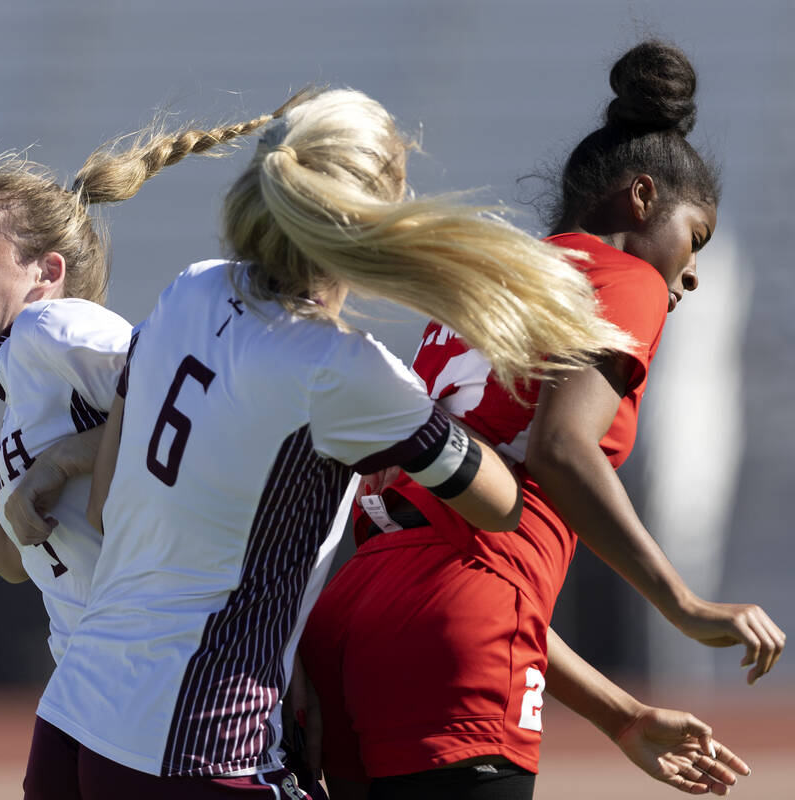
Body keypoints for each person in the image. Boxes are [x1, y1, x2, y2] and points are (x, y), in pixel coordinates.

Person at [23, 86, 635, 799]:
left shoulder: (190, 288)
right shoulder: (340, 368)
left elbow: (107, 505)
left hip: (75, 718)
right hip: (199, 742)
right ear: (375, 216)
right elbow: (500, 506)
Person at [299, 40, 784, 799]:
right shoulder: (624, 275)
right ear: (644, 198)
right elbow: (560, 451)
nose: (691, 271)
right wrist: (682, 603)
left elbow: (463, 555)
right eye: (696, 239)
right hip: (460, 624)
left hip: (349, 618)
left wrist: (619, 715)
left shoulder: (488, 289)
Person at [0, 106, 294, 665]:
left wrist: (64, 459)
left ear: (46, 274)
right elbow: (9, 552)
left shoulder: (51, 326)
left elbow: (203, 416)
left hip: (162, 667)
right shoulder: (31, 376)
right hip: (94, 674)